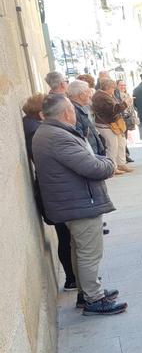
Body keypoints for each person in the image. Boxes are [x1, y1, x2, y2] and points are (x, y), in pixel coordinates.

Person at [31, 93, 127, 315]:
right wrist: (110, 163)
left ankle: (87, 294)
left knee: (80, 250)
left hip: (72, 202)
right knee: (89, 253)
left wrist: (101, 161)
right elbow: (92, 167)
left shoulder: (48, 132)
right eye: (73, 111)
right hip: (79, 203)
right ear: (67, 113)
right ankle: (94, 299)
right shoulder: (57, 136)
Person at [22, 93, 78, 291]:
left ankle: (74, 278)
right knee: (65, 236)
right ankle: (72, 279)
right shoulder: (36, 130)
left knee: (67, 236)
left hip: (52, 191)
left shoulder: (34, 126)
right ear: (41, 114)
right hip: (54, 193)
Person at [92, 78, 131, 173]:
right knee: (112, 146)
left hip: (113, 123)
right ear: (108, 87)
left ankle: (121, 163)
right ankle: (112, 167)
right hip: (106, 124)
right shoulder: (101, 97)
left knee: (121, 143)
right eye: (113, 88)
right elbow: (113, 110)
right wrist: (125, 103)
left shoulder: (106, 95)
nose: (114, 90)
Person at [66, 80, 106, 158]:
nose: (90, 95)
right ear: (81, 95)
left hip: (92, 153)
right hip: (89, 154)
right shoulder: (73, 111)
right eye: (88, 92)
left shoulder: (77, 108)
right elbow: (80, 137)